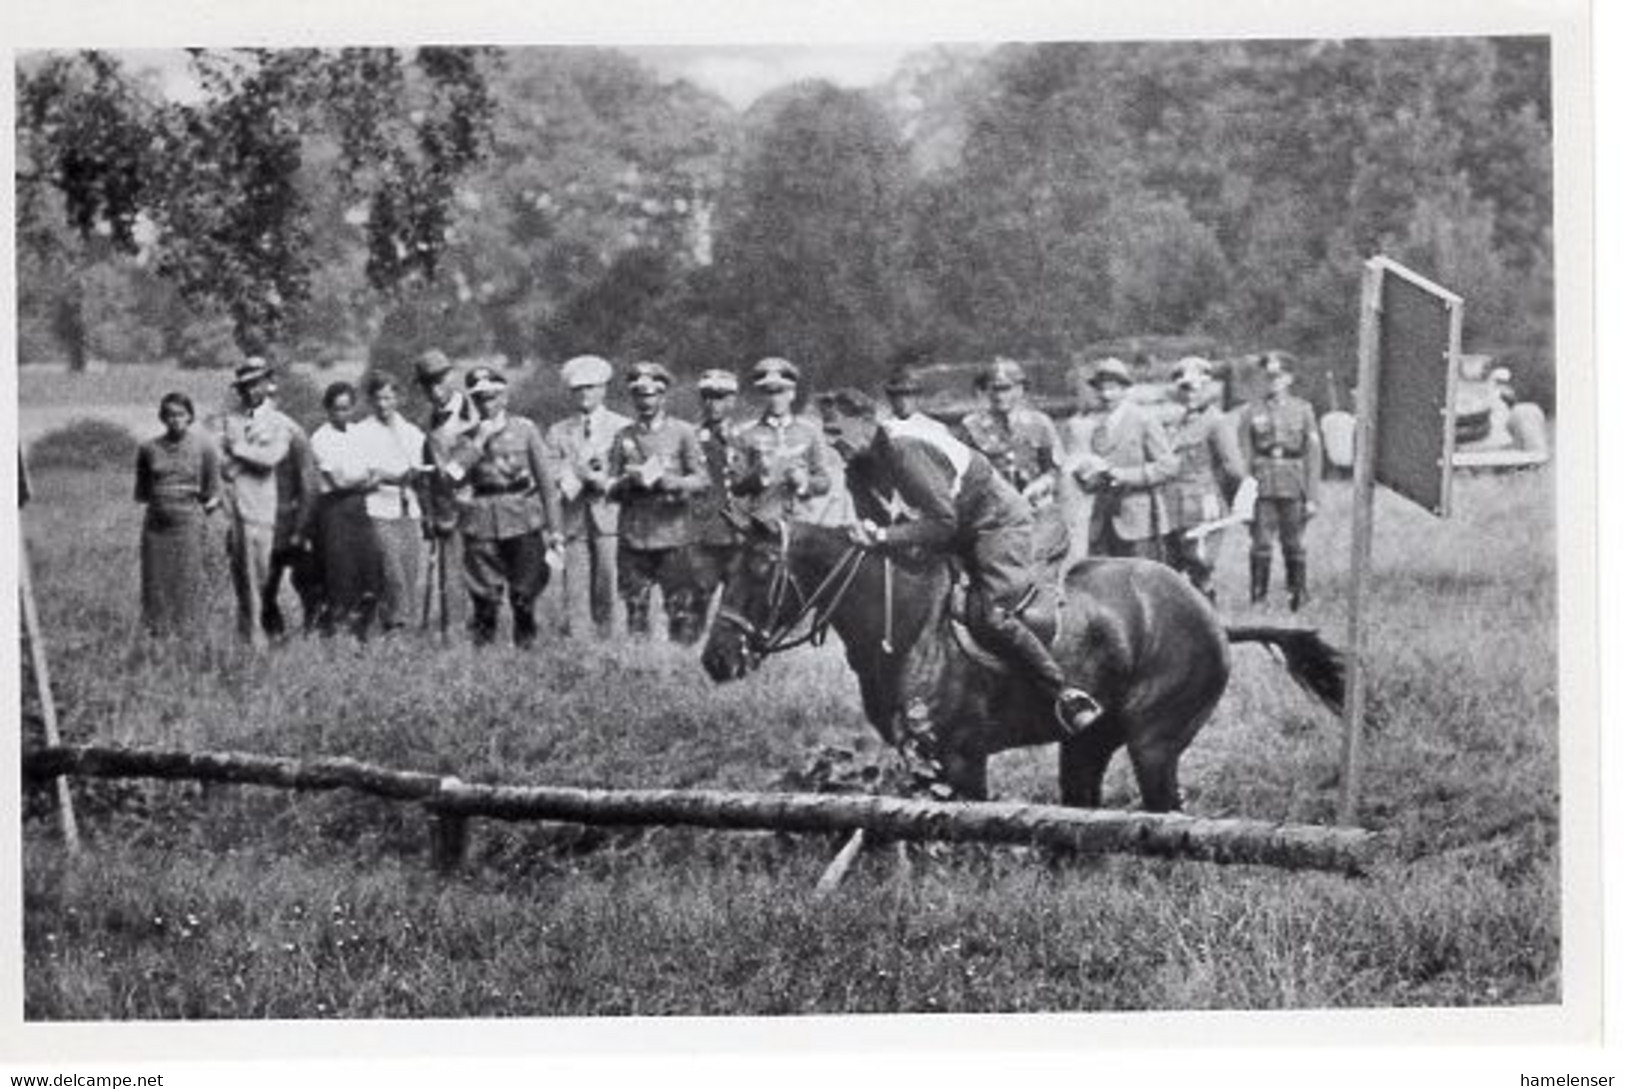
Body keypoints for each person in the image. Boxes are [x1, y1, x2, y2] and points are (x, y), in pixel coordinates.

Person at [815, 388, 1102, 736]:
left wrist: (882, 537)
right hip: (946, 532)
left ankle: (1063, 693)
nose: (831, 443)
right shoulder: (856, 470)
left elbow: (941, 522)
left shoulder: (905, 450)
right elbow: (885, 531)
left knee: (990, 613)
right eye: (826, 433)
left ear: (864, 423)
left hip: (994, 522)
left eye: (835, 432)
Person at [457, 366, 562, 647]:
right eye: (479, 398)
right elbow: (453, 475)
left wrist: (555, 531)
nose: (486, 404)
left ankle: (525, 654)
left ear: (504, 398)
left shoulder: (525, 430)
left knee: (524, 596)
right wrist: (479, 441)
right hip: (482, 523)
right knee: (484, 599)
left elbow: (547, 487)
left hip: (522, 518)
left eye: (491, 397)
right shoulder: (467, 436)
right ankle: (484, 660)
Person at [607, 362, 709, 643]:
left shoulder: (683, 432)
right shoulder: (624, 436)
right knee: (635, 609)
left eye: (652, 395)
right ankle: (639, 666)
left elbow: (702, 480)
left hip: (673, 534)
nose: (646, 401)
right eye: (639, 395)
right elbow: (609, 486)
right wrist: (628, 482)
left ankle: (681, 664)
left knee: (681, 609)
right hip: (634, 535)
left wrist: (672, 481)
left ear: (663, 397)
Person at [544, 355, 631, 639]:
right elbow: (553, 476)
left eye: (591, 387)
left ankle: (609, 644)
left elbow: (629, 474)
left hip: (610, 518)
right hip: (574, 519)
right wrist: (578, 474)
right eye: (578, 389)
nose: (585, 394)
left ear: (604, 389)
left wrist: (603, 480)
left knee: (609, 583)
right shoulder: (558, 432)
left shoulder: (622, 427)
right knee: (576, 587)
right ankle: (579, 646)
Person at [215, 358, 297, 647]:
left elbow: (271, 458)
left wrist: (238, 449)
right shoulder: (231, 421)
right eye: (245, 386)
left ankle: (273, 634)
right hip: (237, 511)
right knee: (243, 581)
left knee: (265, 579)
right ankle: (250, 641)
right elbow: (224, 467)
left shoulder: (279, 422)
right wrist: (246, 456)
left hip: (265, 512)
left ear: (267, 384)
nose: (250, 391)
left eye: (255, 384)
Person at [1069, 358, 1178, 560]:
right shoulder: (1092, 423)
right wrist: (1086, 474)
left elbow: (1168, 467)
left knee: (1139, 581)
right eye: (1101, 389)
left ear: (1124, 389)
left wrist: (1125, 475)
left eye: (1112, 388)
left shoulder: (1143, 419)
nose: (1106, 395)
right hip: (1102, 519)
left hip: (1138, 521)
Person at [1160, 357, 1249, 602]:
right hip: (1172, 505)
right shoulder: (1174, 423)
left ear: (1207, 388)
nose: (1191, 394)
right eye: (1185, 388)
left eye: (1196, 388)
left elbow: (1235, 470)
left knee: (1200, 564)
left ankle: (1209, 623)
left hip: (1202, 503)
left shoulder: (1216, 422)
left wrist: (1223, 502)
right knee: (1171, 566)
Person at [134, 392, 222, 637]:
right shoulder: (148, 449)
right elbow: (143, 492)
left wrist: (198, 514)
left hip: (188, 524)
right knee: (156, 580)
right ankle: (158, 634)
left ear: (191, 417)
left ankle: (188, 634)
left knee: (187, 579)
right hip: (156, 527)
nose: (175, 420)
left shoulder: (204, 447)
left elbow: (213, 491)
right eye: (170, 414)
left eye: (181, 414)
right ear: (162, 417)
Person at [1240, 351, 1322, 610]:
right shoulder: (1251, 411)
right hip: (1262, 486)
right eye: (1268, 376)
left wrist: (1312, 496)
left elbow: (1313, 454)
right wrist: (1245, 494)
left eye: (1279, 376)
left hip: (1293, 484)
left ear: (1289, 378)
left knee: (1294, 543)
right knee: (1261, 544)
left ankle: (1297, 596)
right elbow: (1245, 453)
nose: (1273, 381)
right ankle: (1258, 598)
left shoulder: (1303, 409)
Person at [308, 381, 386, 639]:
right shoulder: (320, 438)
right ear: (328, 410)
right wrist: (362, 479)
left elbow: (377, 473)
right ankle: (334, 632)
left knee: (369, 570)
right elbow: (338, 482)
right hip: (334, 511)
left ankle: (362, 633)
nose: (343, 414)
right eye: (338, 409)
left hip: (359, 509)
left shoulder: (360, 433)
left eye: (347, 408)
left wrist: (360, 479)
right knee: (339, 572)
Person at [355, 372, 427, 632]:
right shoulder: (361, 432)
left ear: (398, 398)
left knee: (409, 572)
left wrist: (410, 477)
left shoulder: (412, 432)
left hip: (409, 510)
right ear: (371, 401)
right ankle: (393, 626)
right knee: (390, 571)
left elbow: (421, 470)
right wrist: (392, 476)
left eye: (388, 397)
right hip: (377, 509)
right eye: (378, 399)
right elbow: (364, 474)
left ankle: (404, 629)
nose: (383, 404)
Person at [733, 357, 830, 522]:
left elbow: (824, 482)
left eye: (780, 392)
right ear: (762, 396)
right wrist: (758, 475)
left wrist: (804, 482)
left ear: (792, 394)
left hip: (802, 521)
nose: (775, 399)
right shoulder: (746, 434)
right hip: (762, 521)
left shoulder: (810, 431)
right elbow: (737, 486)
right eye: (768, 393)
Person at [957, 358, 1061, 508]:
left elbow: (1054, 469)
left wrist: (1039, 486)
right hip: (993, 509)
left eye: (1006, 389)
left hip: (1035, 504)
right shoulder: (972, 426)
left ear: (1020, 389)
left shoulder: (1040, 423)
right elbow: (962, 473)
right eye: (994, 389)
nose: (999, 396)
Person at [688, 368, 745, 619]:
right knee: (696, 601)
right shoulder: (689, 436)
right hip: (704, 533)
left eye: (721, 397)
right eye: (707, 397)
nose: (713, 404)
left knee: (737, 605)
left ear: (733, 400)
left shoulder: (746, 437)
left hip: (741, 532)